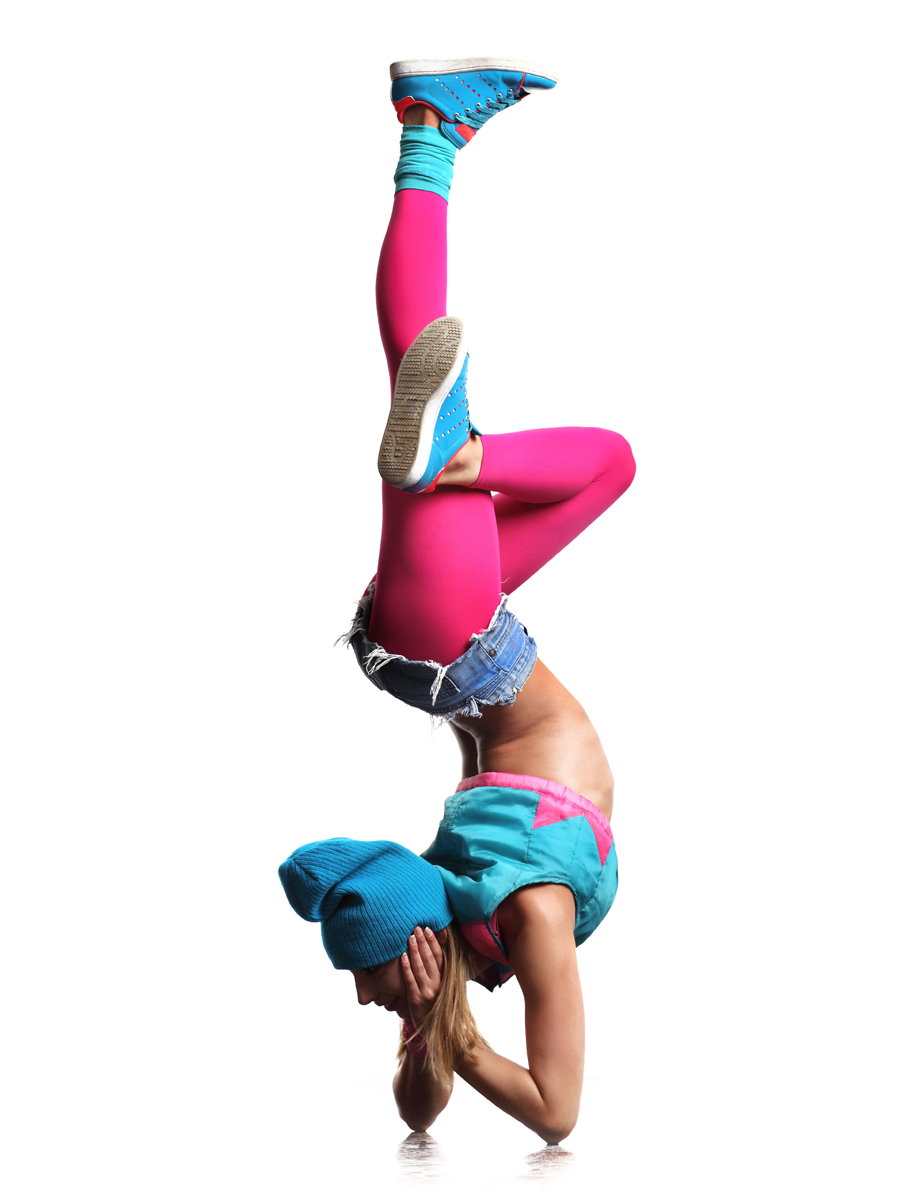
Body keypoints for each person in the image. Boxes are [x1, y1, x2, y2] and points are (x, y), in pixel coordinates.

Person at [279, 58, 635, 1145]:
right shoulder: (515, 916)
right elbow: (470, 1114)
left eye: (369, 977)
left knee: (427, 379)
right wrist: (435, 1020)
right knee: (610, 466)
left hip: (454, 642)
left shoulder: (480, 904)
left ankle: (429, 130)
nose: (365, 997)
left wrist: (449, 1023)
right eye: (370, 981)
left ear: (416, 939)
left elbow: (548, 1115)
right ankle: (433, 138)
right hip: (442, 645)